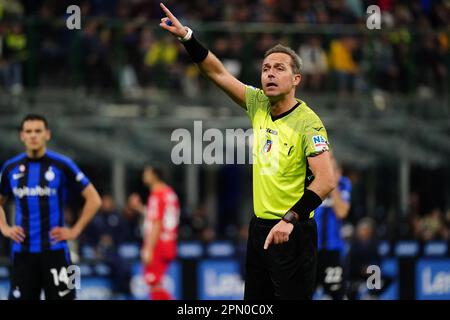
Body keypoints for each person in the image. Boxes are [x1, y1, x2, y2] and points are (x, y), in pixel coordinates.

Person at [159, 3, 336, 300]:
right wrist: (188, 37)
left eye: (279, 68)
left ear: (296, 80)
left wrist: (289, 220)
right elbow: (216, 73)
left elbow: (326, 180)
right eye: (266, 68)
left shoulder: (308, 123)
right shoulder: (258, 104)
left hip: (293, 230)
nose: (269, 73)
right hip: (259, 230)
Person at [0, 114, 102, 300]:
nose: (33, 136)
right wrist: (4, 227)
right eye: (28, 131)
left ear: (47, 134)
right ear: (22, 136)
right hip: (22, 254)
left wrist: (75, 230)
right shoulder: (10, 168)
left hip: (59, 252)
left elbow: (94, 199)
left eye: (38, 131)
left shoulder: (63, 165)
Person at [314, 153, 352, 299]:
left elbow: (342, 212)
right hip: (312, 249)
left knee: (337, 293)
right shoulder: (311, 183)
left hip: (333, 250)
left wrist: (332, 184)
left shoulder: (343, 184)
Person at [141, 165, 180, 300]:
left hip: (158, 243)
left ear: (155, 175)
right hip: (169, 242)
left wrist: (149, 248)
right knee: (156, 284)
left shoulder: (157, 194)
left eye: (147, 173)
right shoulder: (170, 193)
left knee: (153, 283)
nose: (144, 176)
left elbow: (157, 222)